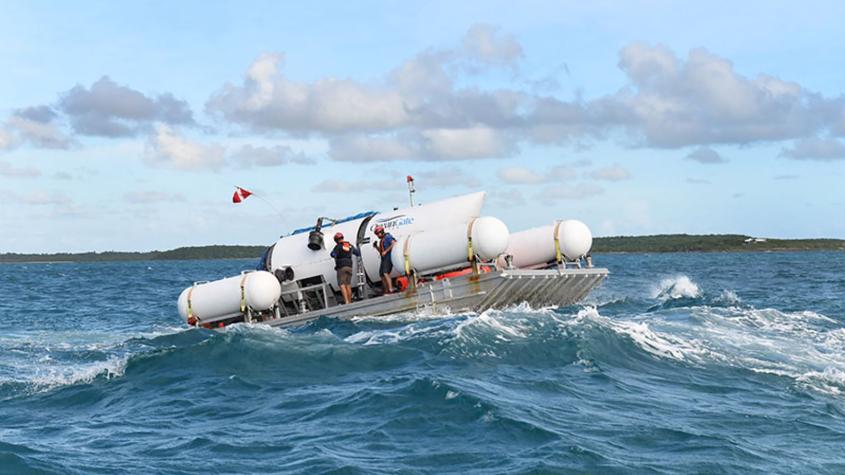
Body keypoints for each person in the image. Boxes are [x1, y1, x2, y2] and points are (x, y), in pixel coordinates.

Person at [330, 232, 360, 304]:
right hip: (349, 266)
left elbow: (332, 254)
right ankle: (349, 301)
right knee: (348, 284)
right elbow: (357, 253)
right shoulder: (349, 245)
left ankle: (346, 301)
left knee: (342, 284)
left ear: (336, 240)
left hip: (341, 267)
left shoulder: (338, 246)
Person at [373, 225, 396, 294]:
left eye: (378, 233)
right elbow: (381, 251)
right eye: (376, 234)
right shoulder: (381, 240)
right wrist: (376, 247)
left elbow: (393, 243)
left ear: (382, 232)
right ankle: (386, 290)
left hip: (388, 257)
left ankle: (390, 289)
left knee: (386, 273)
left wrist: (386, 251)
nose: (377, 235)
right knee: (382, 274)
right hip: (384, 258)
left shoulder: (387, 237)